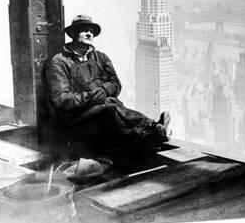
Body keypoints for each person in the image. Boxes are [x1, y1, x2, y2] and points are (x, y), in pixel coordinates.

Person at [46, 14, 171, 153]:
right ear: (73, 33)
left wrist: (105, 90)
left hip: (105, 110)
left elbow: (116, 84)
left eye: (91, 31)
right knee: (109, 109)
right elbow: (61, 99)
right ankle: (152, 129)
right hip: (78, 117)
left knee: (111, 108)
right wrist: (92, 96)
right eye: (84, 30)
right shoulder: (60, 61)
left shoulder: (101, 57)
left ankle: (151, 132)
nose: (89, 34)